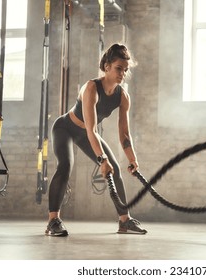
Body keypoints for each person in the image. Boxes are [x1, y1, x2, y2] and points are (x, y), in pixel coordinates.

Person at [45, 43, 147, 236]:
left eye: (125, 70)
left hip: (86, 134)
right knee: (65, 165)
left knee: (115, 169)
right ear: (106, 66)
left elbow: (124, 134)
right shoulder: (91, 87)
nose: (122, 74)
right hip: (65, 128)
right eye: (119, 68)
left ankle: (124, 221)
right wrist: (102, 159)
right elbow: (91, 128)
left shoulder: (123, 96)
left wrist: (132, 158)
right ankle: (53, 221)